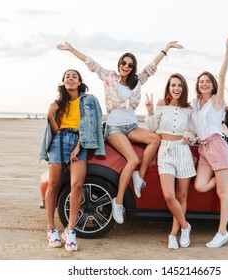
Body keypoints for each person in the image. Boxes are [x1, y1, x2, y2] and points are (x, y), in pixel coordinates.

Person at [56, 41, 183, 224]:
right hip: (115, 127)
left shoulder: (137, 81)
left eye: (130, 65)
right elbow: (91, 63)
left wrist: (167, 48)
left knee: (155, 139)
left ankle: (139, 176)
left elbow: (152, 66)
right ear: (119, 64)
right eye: (124, 63)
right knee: (132, 160)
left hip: (131, 126)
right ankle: (119, 201)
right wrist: (71, 49)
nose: (126, 67)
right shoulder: (109, 77)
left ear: (133, 68)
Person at [189, 33, 228, 248]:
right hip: (204, 150)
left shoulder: (217, 102)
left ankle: (222, 232)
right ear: (197, 85)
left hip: (217, 145)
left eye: (208, 82)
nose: (204, 83)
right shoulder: (195, 105)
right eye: (201, 81)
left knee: (222, 192)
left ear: (213, 86)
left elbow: (222, 76)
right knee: (199, 186)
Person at [39, 69, 105, 251]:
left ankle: (70, 230)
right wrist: (50, 116)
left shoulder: (89, 100)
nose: (70, 78)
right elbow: (54, 130)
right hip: (59, 141)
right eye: (67, 76)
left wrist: (80, 146)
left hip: (79, 143)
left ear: (79, 82)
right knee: (54, 184)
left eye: (74, 76)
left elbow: (94, 125)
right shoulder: (57, 103)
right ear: (63, 82)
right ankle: (51, 228)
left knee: (77, 185)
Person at [145, 73, 196, 249]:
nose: (176, 88)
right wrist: (151, 111)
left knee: (182, 196)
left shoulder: (189, 109)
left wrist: (191, 137)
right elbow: (151, 127)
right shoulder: (161, 105)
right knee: (169, 195)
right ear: (168, 88)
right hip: (165, 151)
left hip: (182, 151)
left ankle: (173, 234)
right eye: (173, 85)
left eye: (179, 86)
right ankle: (186, 226)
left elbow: (194, 131)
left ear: (183, 89)